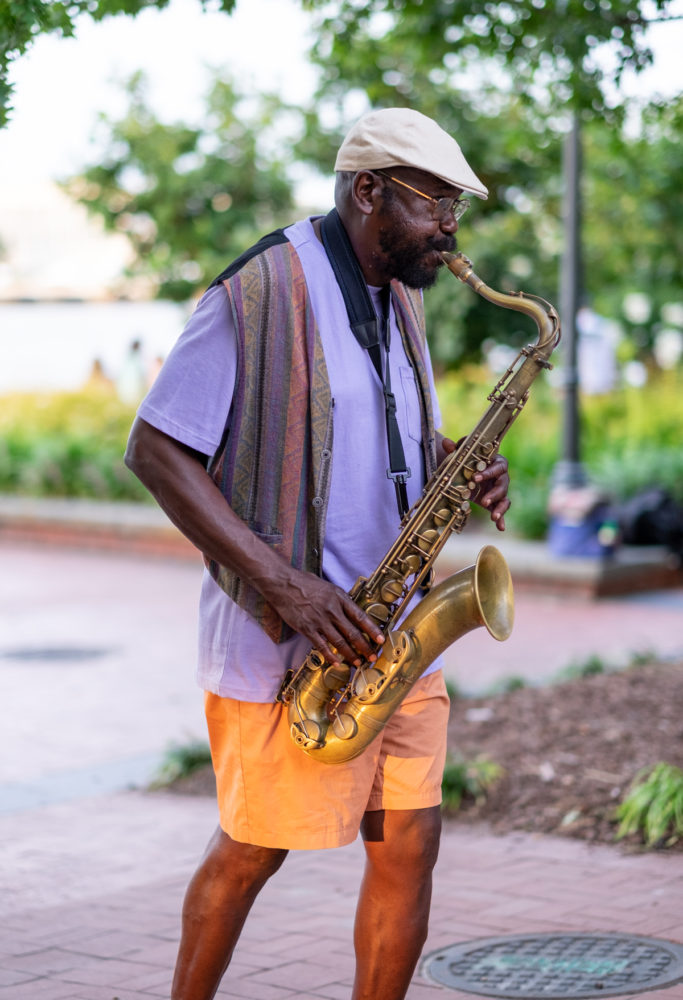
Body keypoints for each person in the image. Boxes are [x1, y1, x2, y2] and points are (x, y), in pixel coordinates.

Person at [125, 107, 511, 1000]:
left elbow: (364, 428)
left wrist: (461, 462)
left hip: (395, 629)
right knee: (253, 852)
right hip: (289, 641)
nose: (449, 230)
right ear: (367, 190)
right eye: (435, 205)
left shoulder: (398, 292)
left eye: (455, 208)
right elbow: (155, 449)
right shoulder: (253, 296)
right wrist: (285, 585)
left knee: (409, 846)